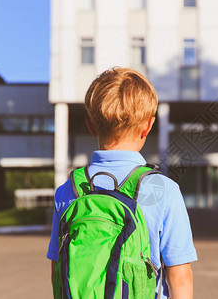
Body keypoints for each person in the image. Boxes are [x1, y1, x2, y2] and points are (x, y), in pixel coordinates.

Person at [47, 67, 197, 298]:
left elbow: (58, 270)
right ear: (148, 126)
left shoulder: (68, 191)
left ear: (90, 126)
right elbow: (180, 276)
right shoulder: (163, 190)